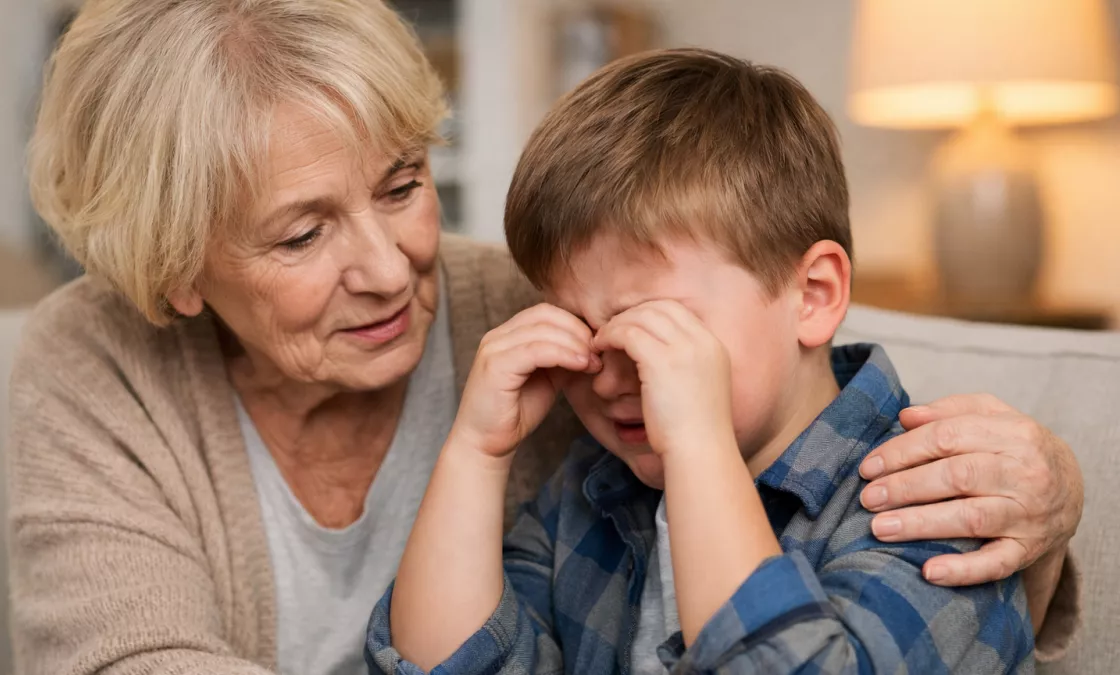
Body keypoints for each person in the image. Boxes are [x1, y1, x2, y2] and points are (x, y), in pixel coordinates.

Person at [9, 1, 1080, 674]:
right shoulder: (596, 487)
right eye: (300, 233)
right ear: (177, 270)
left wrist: (1050, 474)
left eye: (403, 185)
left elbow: (788, 331)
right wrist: (477, 453)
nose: (390, 269)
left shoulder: (890, 494)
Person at [372, 50, 1041, 674]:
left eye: (657, 327)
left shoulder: (936, 503)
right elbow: (449, 660)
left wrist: (699, 443)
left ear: (812, 295)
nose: (607, 376)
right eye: (579, 328)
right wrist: (476, 451)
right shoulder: (589, 491)